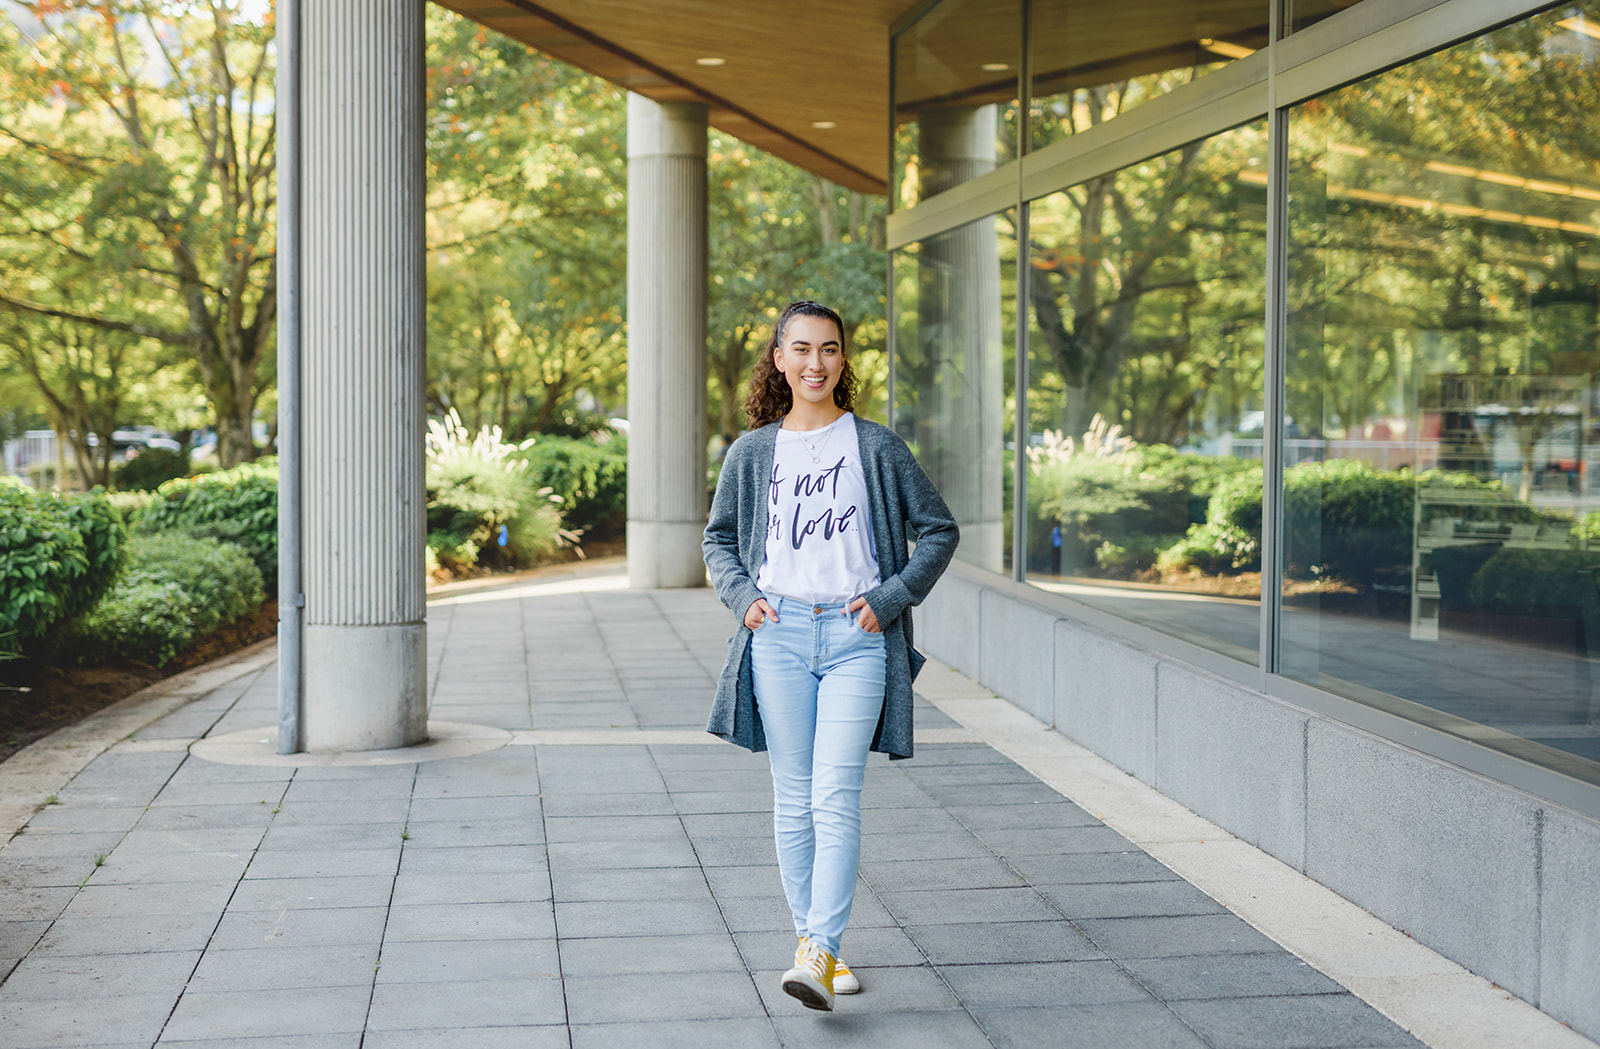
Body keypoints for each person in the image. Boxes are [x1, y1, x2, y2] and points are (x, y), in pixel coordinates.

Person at [702, 300, 959, 1011]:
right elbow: (718, 538)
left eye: (830, 349)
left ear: (844, 361)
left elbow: (939, 530)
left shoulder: (874, 446)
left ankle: (816, 953)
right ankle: (817, 942)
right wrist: (741, 596)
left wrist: (892, 596)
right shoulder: (753, 452)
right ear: (779, 359)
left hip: (857, 639)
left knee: (834, 793)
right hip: (778, 634)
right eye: (802, 349)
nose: (816, 362)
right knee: (793, 797)